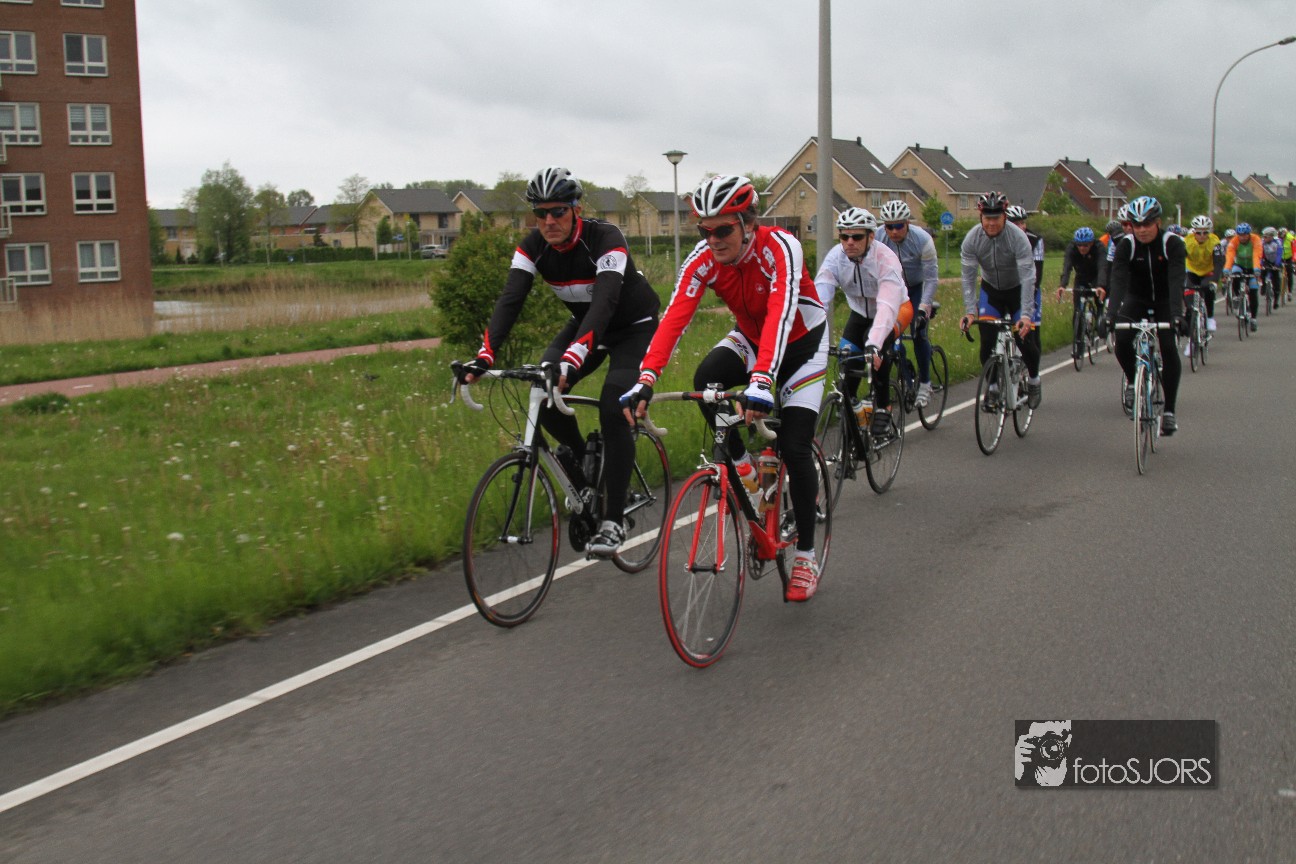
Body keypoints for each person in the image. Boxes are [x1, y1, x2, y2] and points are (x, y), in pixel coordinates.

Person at [621, 175, 829, 601]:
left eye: (723, 230)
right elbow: (675, 317)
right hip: (751, 339)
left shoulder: (780, 248)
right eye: (705, 230)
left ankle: (806, 555)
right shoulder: (703, 259)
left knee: (795, 445)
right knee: (706, 381)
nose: (713, 240)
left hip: (802, 344)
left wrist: (763, 380)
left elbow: (781, 314)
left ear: (748, 223)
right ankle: (743, 466)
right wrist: (645, 379)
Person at [455, 166, 660, 558]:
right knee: (543, 389)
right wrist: (484, 356)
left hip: (634, 327)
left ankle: (613, 522)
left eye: (558, 211)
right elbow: (510, 299)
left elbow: (605, 303)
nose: (549, 220)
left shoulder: (606, 238)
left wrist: (572, 357)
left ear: (576, 209)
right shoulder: (533, 246)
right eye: (540, 212)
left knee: (613, 404)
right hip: (585, 325)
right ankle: (585, 474)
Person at [814, 207, 913, 435]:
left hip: (895, 309)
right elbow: (820, 299)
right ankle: (856, 414)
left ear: (871, 236)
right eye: (844, 236)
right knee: (848, 365)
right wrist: (812, 336)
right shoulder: (836, 257)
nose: (849, 242)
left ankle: (884, 407)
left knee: (876, 351)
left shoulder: (886, 258)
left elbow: (887, 305)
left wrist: (874, 344)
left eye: (857, 236)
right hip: (859, 313)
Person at [1100, 195, 1186, 436]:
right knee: (1122, 340)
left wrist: (1177, 315)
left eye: (1147, 224)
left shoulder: (1172, 243)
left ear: (1157, 222)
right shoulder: (1126, 245)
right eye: (1136, 225)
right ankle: (1132, 380)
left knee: (1168, 346)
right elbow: (1118, 280)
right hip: (1136, 298)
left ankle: (1169, 411)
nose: (1142, 230)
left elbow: (1176, 280)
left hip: (1165, 300)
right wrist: (1110, 315)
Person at [959, 192, 1041, 408]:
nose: (992, 223)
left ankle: (1034, 380)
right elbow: (968, 278)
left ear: (1005, 216)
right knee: (987, 340)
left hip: (1017, 290)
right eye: (988, 218)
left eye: (996, 217)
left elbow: (1028, 277)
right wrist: (970, 311)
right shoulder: (972, 239)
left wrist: (1026, 315)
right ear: (981, 217)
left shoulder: (1018, 237)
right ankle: (993, 386)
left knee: (1025, 340)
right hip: (991, 291)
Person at [876, 200, 938, 407]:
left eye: (899, 226)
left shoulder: (922, 240)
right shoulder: (878, 237)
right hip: (894, 289)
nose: (894, 231)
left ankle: (925, 384)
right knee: (892, 337)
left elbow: (931, 278)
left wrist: (923, 307)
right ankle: (906, 376)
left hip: (917, 288)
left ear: (908, 224)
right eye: (889, 226)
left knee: (919, 333)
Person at [1183, 214, 1220, 336]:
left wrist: (1215, 280)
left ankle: (1210, 318)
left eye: (1205, 233)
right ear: (1194, 232)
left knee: (1207, 288)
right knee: (1188, 302)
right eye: (1199, 233)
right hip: (1192, 272)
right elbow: (1178, 260)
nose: (1202, 236)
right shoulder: (1187, 242)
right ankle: (1191, 337)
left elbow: (1219, 262)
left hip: (1208, 272)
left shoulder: (1214, 242)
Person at [1057, 225, 1104, 314]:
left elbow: (1102, 267)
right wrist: (1062, 285)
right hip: (1081, 277)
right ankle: (1078, 320)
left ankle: (1100, 318)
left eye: (1085, 245)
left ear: (1091, 243)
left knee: (1099, 304)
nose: (1082, 248)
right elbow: (1067, 267)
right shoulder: (1071, 248)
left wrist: (1101, 285)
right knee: (1077, 310)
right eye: (1079, 245)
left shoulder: (1098, 247)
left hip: (1096, 277)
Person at [1224, 222, 1261, 332]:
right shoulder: (1234, 241)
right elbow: (1230, 256)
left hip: (1252, 267)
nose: (1242, 237)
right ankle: (1236, 297)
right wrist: (1226, 269)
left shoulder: (1255, 239)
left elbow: (1256, 255)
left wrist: (1257, 269)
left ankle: (1253, 318)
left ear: (1249, 234)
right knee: (1235, 275)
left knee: (1253, 291)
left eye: (1245, 235)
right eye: (1240, 235)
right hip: (1239, 265)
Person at [1006, 205, 1045, 295]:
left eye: (1022, 223)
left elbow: (1038, 269)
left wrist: (1033, 291)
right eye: (1016, 224)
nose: (1021, 227)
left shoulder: (1035, 240)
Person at [1261, 226, 1283, 307]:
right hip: (1266, 260)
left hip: (1276, 261)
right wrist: (1261, 263)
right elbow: (1260, 254)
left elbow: (1279, 254)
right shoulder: (1262, 242)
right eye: (1263, 236)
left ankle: (1276, 300)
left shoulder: (1278, 242)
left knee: (1276, 281)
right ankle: (1263, 286)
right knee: (1263, 272)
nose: (1264, 238)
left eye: (1266, 237)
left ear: (1271, 236)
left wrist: (1277, 264)